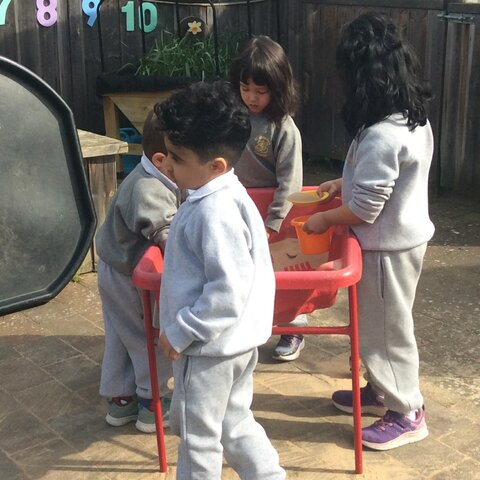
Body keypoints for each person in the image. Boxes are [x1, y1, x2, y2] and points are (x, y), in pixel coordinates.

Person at [304, 12, 434, 451]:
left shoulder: (381, 135)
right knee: (381, 324)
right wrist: (344, 182)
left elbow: (366, 208)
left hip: (385, 249)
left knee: (385, 332)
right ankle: (381, 390)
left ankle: (407, 411)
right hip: (399, 241)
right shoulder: (409, 121)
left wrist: (325, 219)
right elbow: (390, 183)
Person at [155, 80, 286, 480]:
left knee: (198, 438)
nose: (167, 164)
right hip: (236, 344)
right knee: (234, 422)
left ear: (216, 166)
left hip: (208, 349)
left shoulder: (213, 212)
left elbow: (227, 291)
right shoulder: (227, 194)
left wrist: (181, 331)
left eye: (177, 158)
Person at [96, 109, 180, 433]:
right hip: (127, 277)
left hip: (115, 267)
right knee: (147, 337)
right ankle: (152, 402)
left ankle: (121, 400)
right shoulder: (148, 188)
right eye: (185, 159)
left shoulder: (156, 174)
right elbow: (168, 236)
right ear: (162, 159)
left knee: (121, 335)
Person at [230, 35, 306, 362]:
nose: (251, 97)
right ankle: (244, 325)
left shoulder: (283, 128)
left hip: (276, 216)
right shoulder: (232, 117)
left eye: (260, 91)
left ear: (278, 88)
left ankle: (293, 325)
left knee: (283, 273)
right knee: (242, 272)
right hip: (237, 209)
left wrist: (273, 221)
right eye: (245, 88)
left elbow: (291, 181)